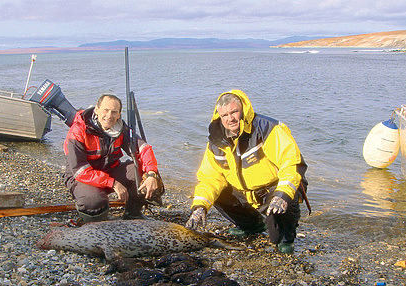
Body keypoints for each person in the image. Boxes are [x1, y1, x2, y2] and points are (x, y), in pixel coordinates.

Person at [185, 90, 308, 254]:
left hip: (273, 189)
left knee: (278, 233)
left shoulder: (268, 128)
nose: (230, 119)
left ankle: (286, 238)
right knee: (216, 193)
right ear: (219, 116)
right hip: (244, 192)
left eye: (234, 112)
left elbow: (291, 163)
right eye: (225, 115)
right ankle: (252, 225)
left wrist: (283, 194)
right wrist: (199, 207)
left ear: (242, 109)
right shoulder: (216, 140)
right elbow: (210, 178)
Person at [63, 94, 163, 223]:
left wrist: (151, 174)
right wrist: (113, 183)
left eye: (114, 112)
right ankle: (93, 224)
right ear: (97, 110)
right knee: (95, 201)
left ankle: (133, 214)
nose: (109, 116)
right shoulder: (77, 131)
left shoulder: (121, 129)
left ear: (119, 115)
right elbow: (80, 171)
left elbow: (144, 149)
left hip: (109, 170)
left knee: (146, 174)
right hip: (81, 177)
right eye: (105, 110)